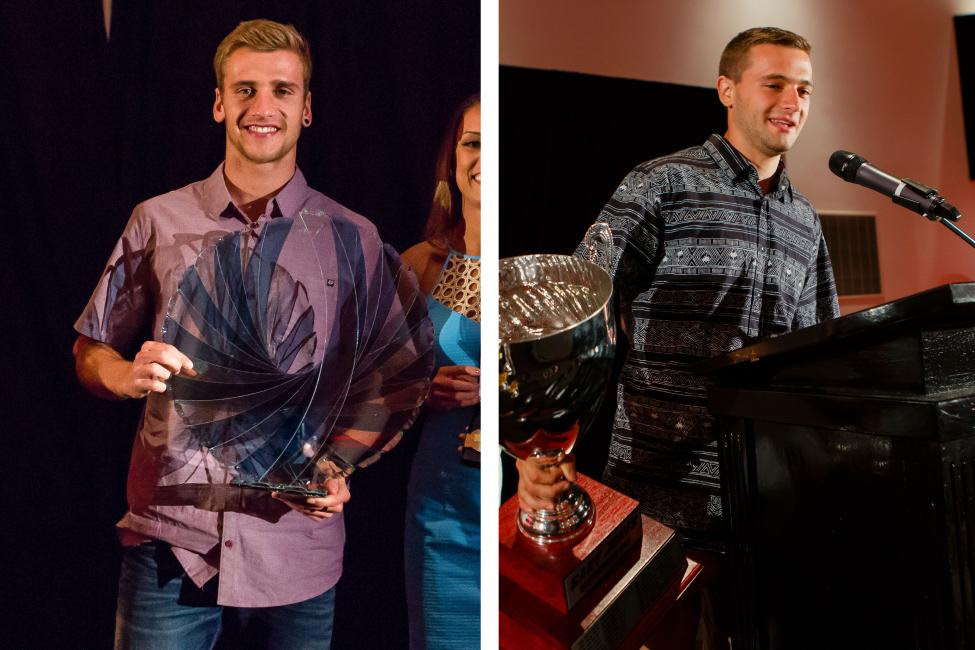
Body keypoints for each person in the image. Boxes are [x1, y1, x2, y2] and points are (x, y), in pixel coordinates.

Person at [73, 19, 426, 649]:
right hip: (171, 543)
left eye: (282, 91)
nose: (262, 107)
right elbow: (89, 349)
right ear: (218, 103)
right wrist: (124, 375)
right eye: (245, 90)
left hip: (297, 547)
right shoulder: (156, 220)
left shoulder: (355, 238)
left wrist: (344, 461)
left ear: (307, 108)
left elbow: (389, 378)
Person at [517, 25, 838, 562]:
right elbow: (572, 312)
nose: (792, 103)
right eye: (774, 85)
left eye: (804, 90)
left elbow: (814, 356)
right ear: (727, 90)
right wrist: (546, 446)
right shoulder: (661, 184)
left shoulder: (805, 220)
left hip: (765, 506)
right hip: (657, 500)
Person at [402, 95, 481, 649]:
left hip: (519, 502)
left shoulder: (539, 262)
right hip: (442, 510)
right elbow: (370, 383)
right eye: (473, 144)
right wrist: (421, 391)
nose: (484, 158)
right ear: (452, 163)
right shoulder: (420, 264)